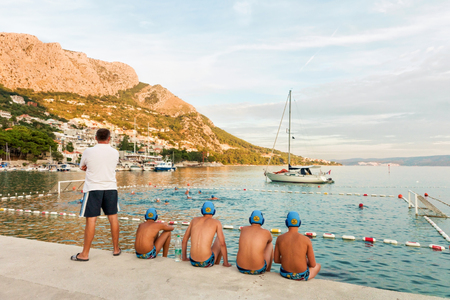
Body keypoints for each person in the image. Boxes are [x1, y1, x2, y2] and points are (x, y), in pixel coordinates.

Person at [71, 128, 120, 261]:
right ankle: (116, 249)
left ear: (95, 138)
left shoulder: (88, 151)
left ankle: (85, 254)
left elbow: (82, 166)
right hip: (110, 188)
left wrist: (87, 167)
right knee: (113, 218)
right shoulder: (115, 152)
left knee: (91, 220)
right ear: (109, 138)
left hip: (93, 188)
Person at [182, 201, 231, 268]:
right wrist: (226, 262)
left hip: (193, 261)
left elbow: (184, 240)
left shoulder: (194, 220)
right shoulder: (216, 222)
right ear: (214, 211)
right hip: (206, 262)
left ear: (202, 211)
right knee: (219, 239)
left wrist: (184, 258)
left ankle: (215, 263)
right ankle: (220, 264)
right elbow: (222, 244)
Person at [274, 211, 321, 281]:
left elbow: (276, 260)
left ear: (286, 222)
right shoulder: (306, 240)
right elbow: (312, 264)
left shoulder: (279, 238)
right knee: (318, 266)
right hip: (301, 276)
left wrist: (287, 259)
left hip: (284, 273)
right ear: (299, 222)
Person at [236, 210, 273, 275]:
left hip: (240, 268)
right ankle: (268, 271)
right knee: (270, 244)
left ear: (250, 219)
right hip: (258, 270)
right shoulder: (267, 232)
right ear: (263, 221)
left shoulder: (243, 229)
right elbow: (270, 241)